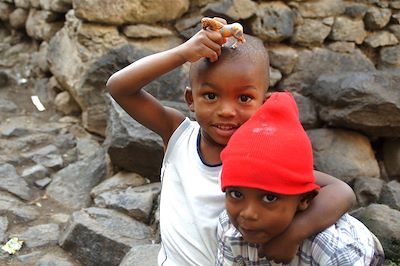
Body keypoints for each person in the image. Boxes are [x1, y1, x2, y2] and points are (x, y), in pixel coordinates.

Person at [106, 17, 356, 266]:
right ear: (190, 100)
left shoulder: (266, 158)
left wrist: (294, 233)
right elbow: (119, 87)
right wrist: (184, 53)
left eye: (244, 98)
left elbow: (341, 191)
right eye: (211, 95)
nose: (226, 110)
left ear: (264, 104)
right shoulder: (178, 135)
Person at [217, 91, 385, 265]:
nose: (248, 213)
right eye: (236, 194)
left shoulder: (335, 250)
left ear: (304, 200)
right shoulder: (228, 227)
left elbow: (343, 192)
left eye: (270, 198)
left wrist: (292, 235)